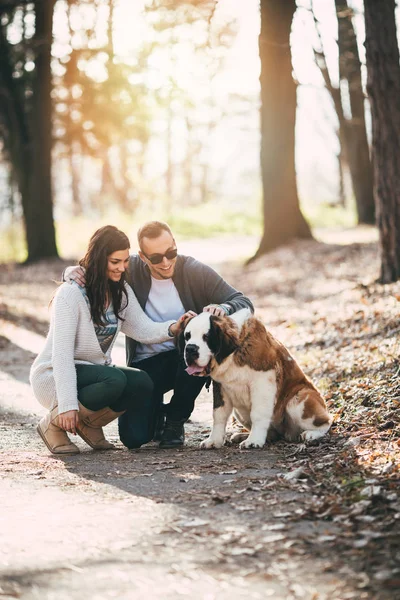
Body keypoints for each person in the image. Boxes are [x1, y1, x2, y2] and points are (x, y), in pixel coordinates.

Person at [65, 221, 254, 449]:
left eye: (170, 253)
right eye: (156, 258)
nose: (165, 262)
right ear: (143, 257)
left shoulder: (194, 271)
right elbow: (98, 268)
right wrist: (70, 273)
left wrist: (223, 309)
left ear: (175, 245)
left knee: (197, 353)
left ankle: (175, 419)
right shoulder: (130, 268)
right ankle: (157, 414)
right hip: (145, 366)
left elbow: (244, 302)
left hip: (184, 357)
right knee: (134, 438)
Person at [30, 225, 192, 455]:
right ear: (98, 259)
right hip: (53, 376)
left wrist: (174, 327)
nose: (122, 268)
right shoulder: (71, 294)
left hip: (96, 375)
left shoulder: (120, 291)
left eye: (125, 261)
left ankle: (90, 423)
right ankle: (53, 423)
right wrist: (66, 406)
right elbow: (62, 355)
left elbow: (143, 329)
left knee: (141, 381)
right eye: (115, 262)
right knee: (114, 379)